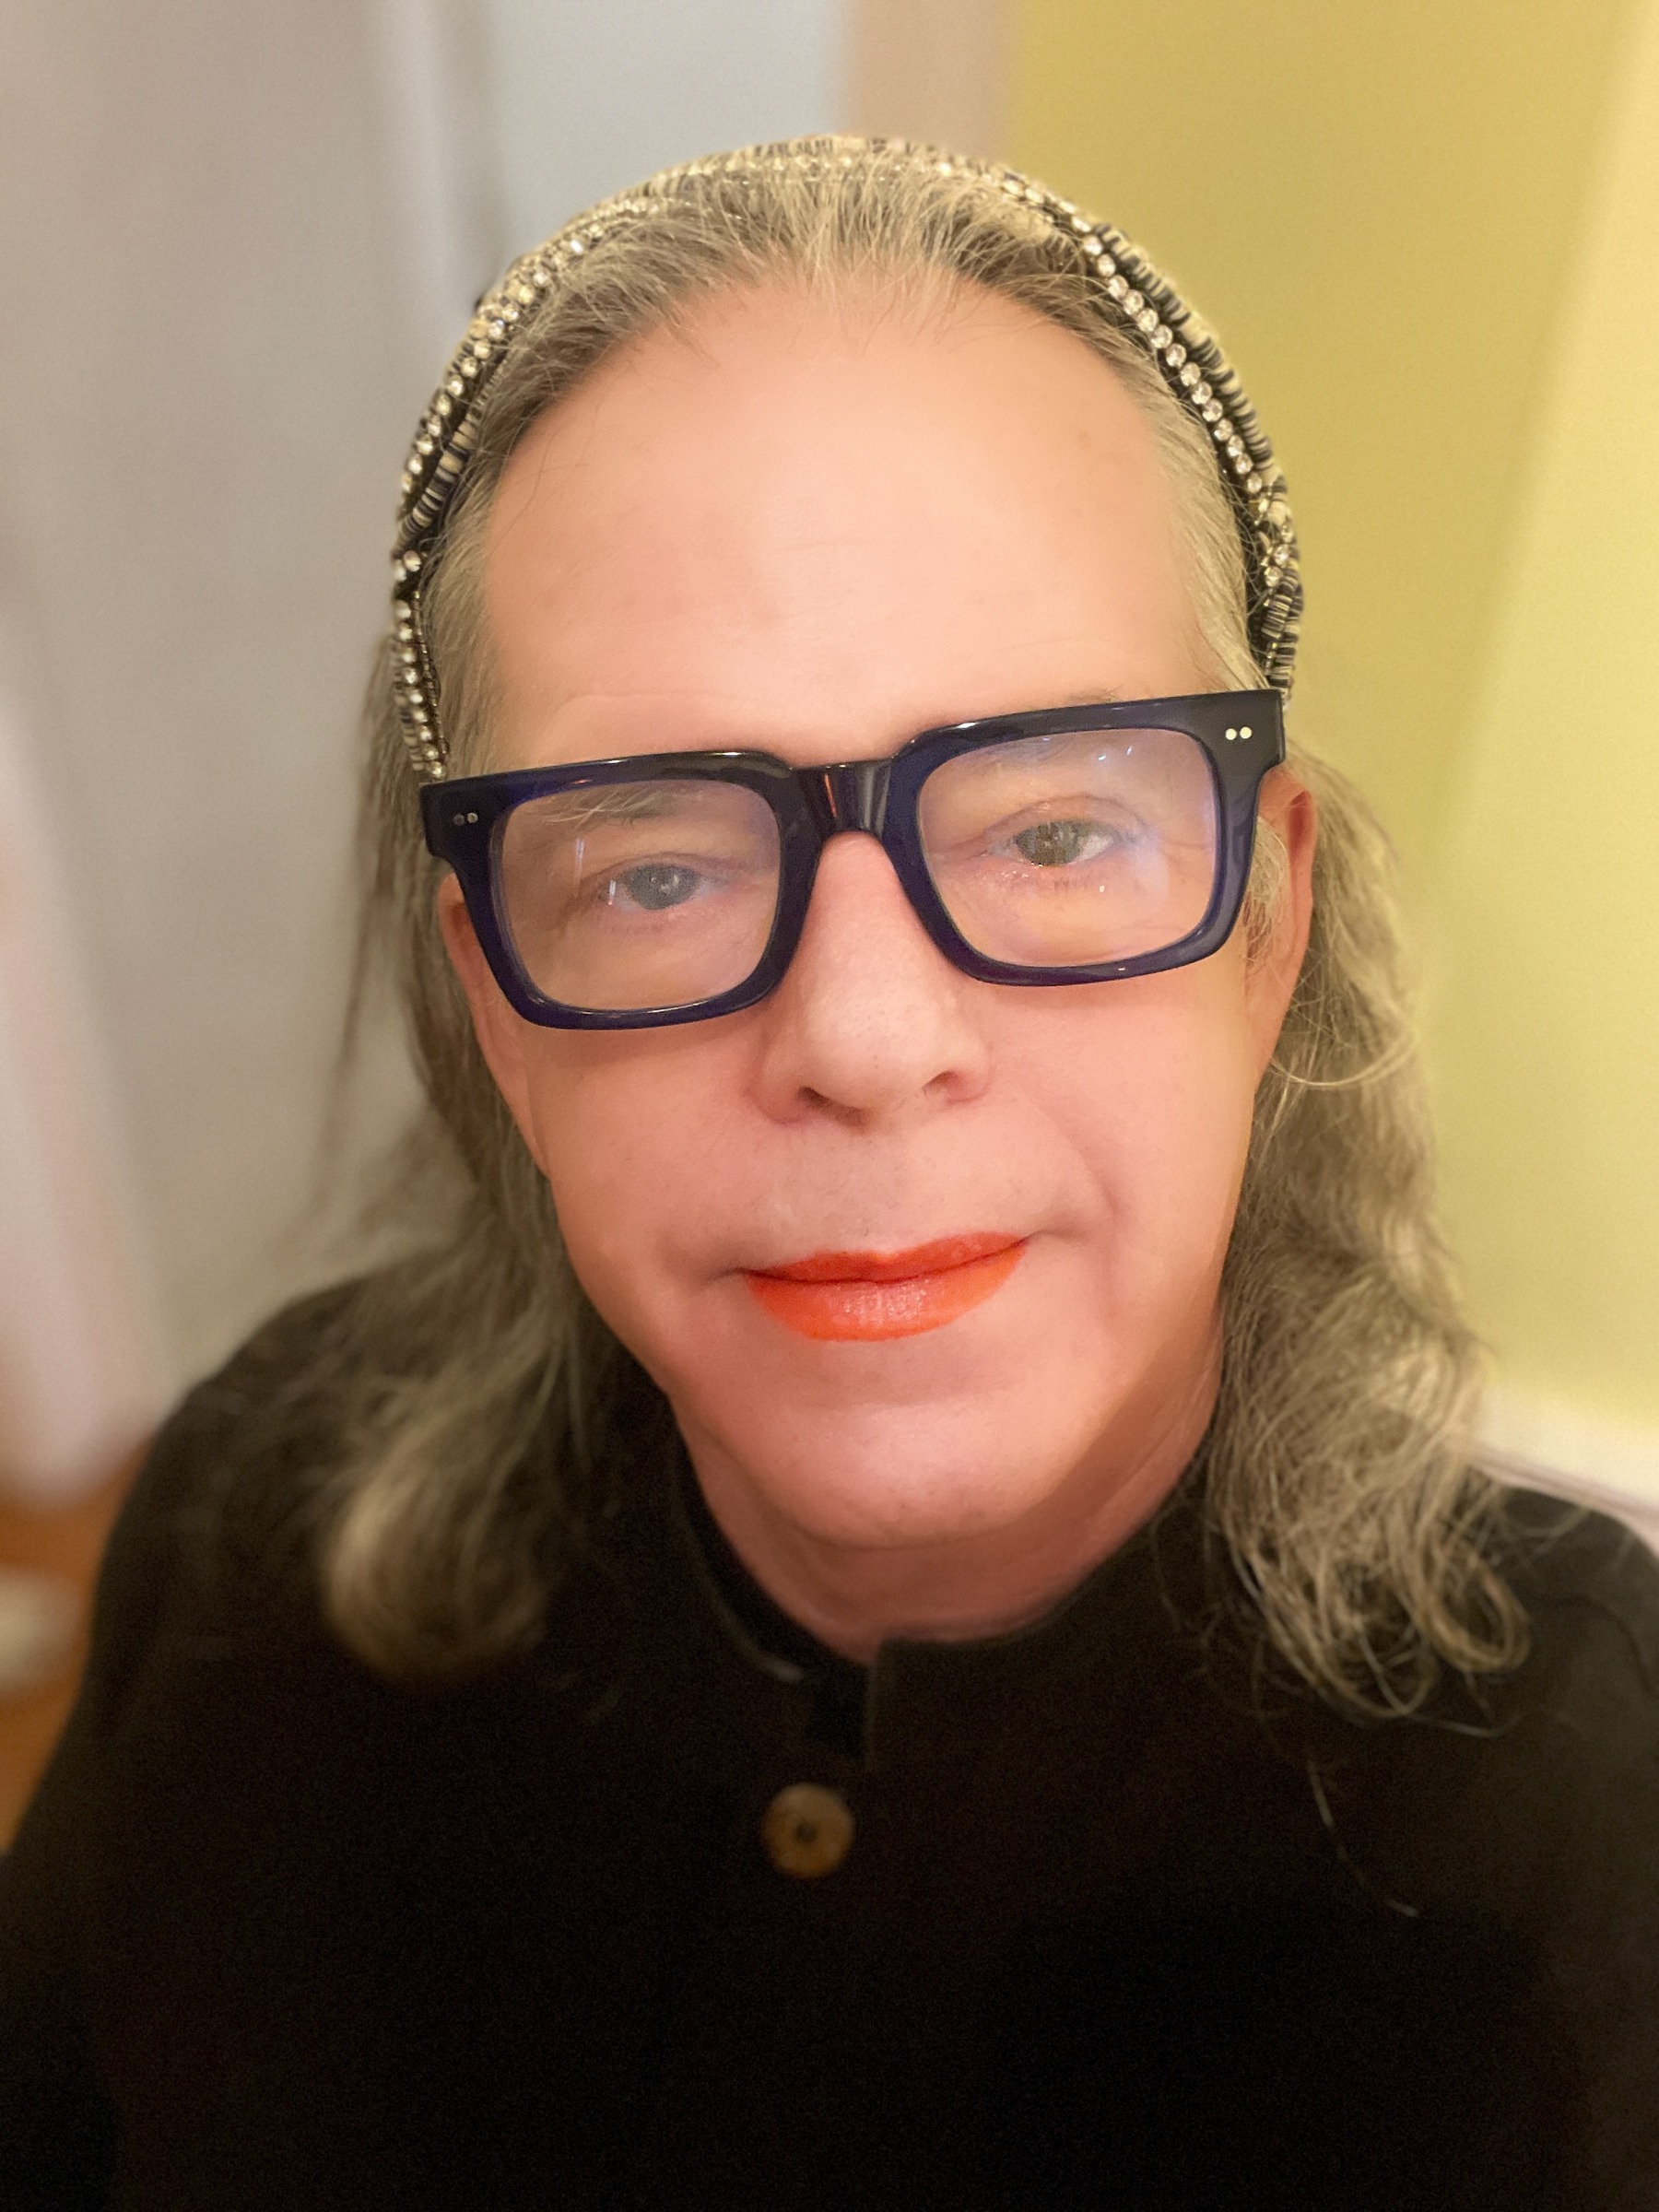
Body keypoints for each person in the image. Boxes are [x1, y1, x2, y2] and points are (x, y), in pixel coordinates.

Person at [2, 136, 1655, 2211]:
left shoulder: (1591, 1848)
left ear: (1267, 925)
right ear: (496, 1008)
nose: (868, 1042)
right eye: (664, 867)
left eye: (1053, 833)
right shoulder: (259, 1532)